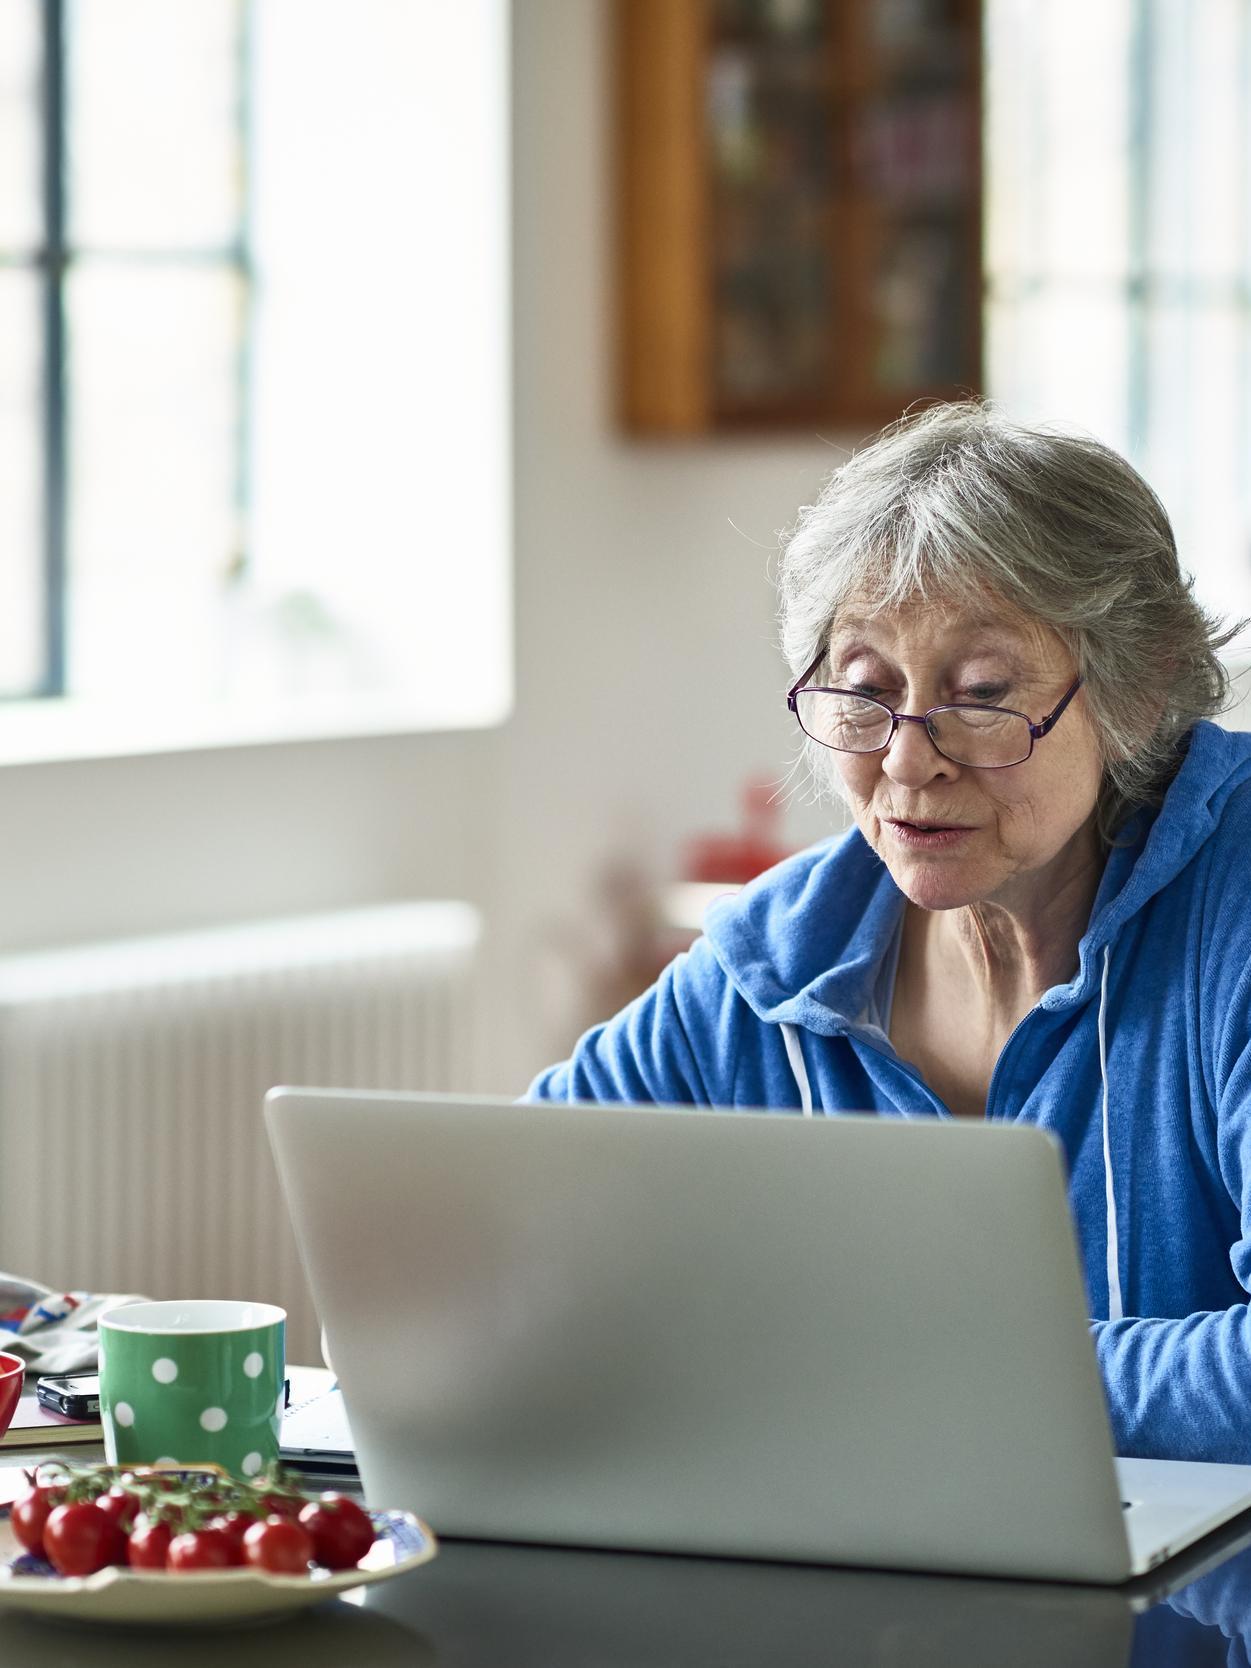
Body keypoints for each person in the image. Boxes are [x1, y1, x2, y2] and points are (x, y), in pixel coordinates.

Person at [527, 401, 1251, 1466]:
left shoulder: (1230, 914)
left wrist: (938, 1379)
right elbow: (509, 1238)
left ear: (1136, 690)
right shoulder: (782, 959)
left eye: (983, 695)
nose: (910, 763)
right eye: (865, 694)